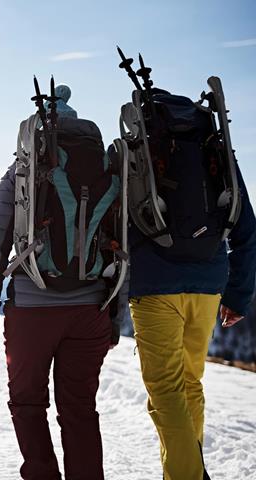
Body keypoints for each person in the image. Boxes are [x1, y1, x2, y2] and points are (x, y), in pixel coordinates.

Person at [0, 84, 124, 480]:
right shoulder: (106, 167)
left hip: (32, 309)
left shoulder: (23, 168)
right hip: (90, 308)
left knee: (27, 403)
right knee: (79, 410)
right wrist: (115, 316)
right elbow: (122, 245)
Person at [122, 79, 256, 478]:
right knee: (190, 384)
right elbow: (246, 228)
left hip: (155, 287)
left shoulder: (142, 152)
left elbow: (119, 223)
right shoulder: (215, 152)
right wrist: (239, 294)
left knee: (164, 393)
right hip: (208, 285)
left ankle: (187, 476)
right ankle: (182, 471)